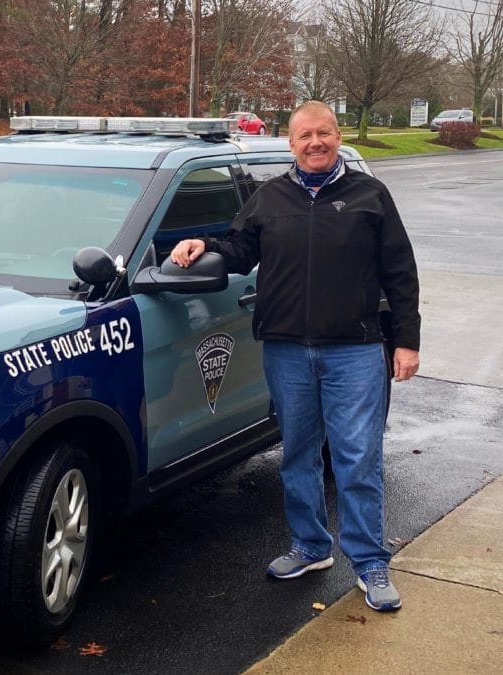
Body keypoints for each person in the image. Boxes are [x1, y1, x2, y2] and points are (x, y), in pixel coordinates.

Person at [170, 100, 420, 612]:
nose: (315, 143)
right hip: (287, 351)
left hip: (355, 350)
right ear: (291, 142)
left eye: (324, 133)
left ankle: (371, 563)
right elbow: (239, 249)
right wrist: (201, 244)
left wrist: (407, 340)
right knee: (298, 457)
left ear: (337, 134)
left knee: (357, 460)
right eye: (305, 135)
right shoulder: (270, 196)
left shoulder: (370, 195)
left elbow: (400, 272)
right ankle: (310, 547)